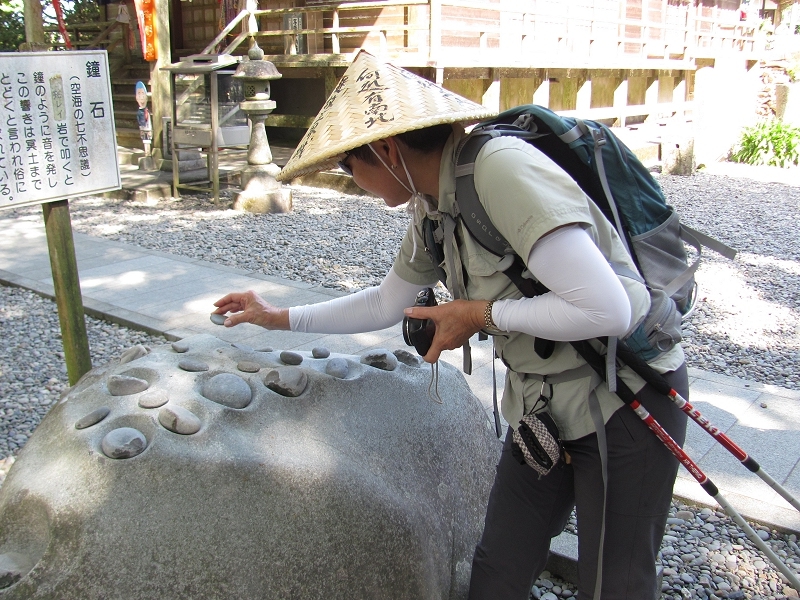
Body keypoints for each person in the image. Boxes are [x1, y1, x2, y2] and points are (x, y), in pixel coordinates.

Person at [213, 51, 688, 600]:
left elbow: (608, 308)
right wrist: (277, 318)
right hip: (542, 411)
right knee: (497, 572)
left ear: (387, 150)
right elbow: (387, 304)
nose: (354, 182)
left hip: (623, 401)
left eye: (350, 166)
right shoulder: (431, 202)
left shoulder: (499, 170)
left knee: (617, 585)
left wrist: (480, 314)